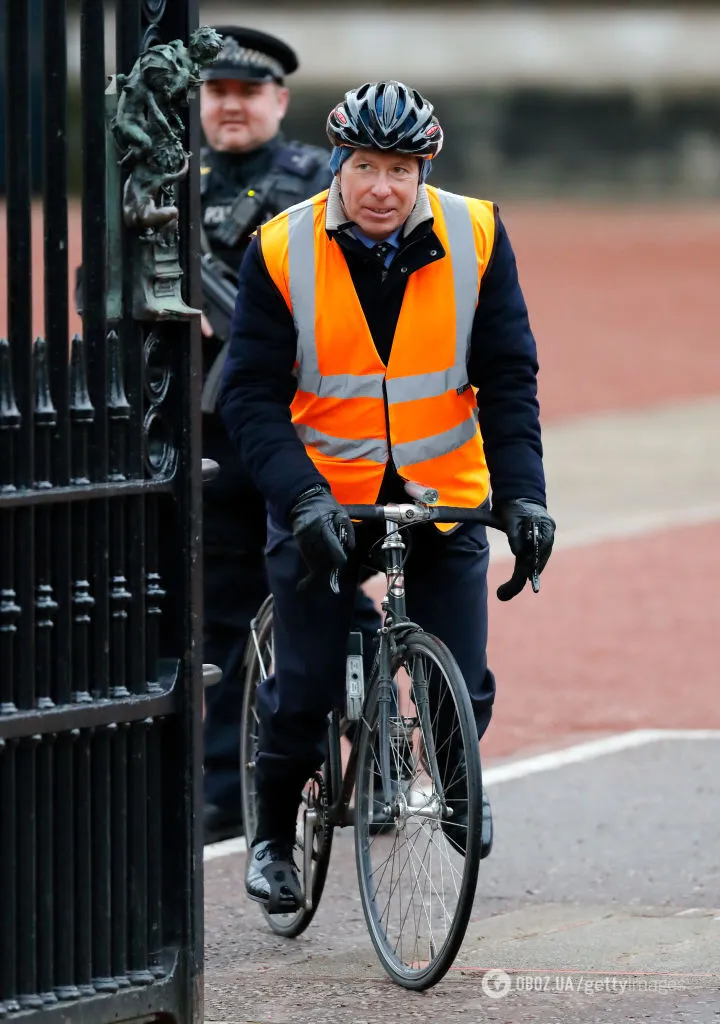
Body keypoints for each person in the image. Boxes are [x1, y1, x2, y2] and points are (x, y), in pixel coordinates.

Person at [218, 80, 556, 911]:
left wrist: (524, 498)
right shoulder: (280, 247)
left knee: (462, 681)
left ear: (423, 171)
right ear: (336, 166)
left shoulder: (477, 235)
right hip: (323, 501)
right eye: (364, 166)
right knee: (300, 686)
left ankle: (449, 773)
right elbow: (249, 396)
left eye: (400, 169)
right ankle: (271, 838)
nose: (381, 187)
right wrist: (300, 499)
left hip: (441, 494)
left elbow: (508, 376)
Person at [199, 29, 381, 845]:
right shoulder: (167, 184)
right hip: (198, 434)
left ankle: (376, 754)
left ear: (279, 100)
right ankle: (220, 789)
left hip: (297, 430)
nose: (231, 106)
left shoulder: (317, 186)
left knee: (332, 594)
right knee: (212, 612)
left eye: (248, 92)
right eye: (216, 93)